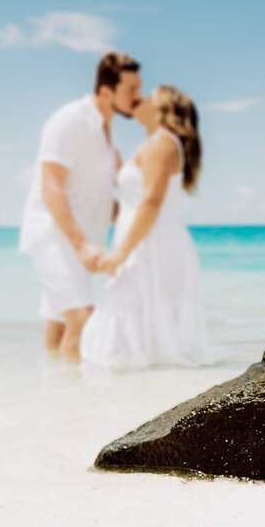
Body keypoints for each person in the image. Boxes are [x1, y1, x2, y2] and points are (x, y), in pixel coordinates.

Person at [18, 52, 141, 360]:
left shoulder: (109, 136)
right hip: (54, 238)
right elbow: (51, 186)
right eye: (131, 89)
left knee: (57, 328)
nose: (138, 97)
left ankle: (52, 396)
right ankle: (79, 405)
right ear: (105, 91)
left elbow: (108, 199)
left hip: (78, 245)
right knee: (84, 320)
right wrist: (82, 244)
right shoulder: (71, 120)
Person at [80, 85, 209, 369]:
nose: (141, 98)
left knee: (121, 328)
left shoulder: (163, 141)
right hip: (149, 239)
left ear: (164, 110)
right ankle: (145, 395)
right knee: (137, 329)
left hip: (152, 242)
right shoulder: (154, 143)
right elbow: (133, 201)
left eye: (150, 97)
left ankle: (121, 398)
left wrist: (119, 254)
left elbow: (151, 202)